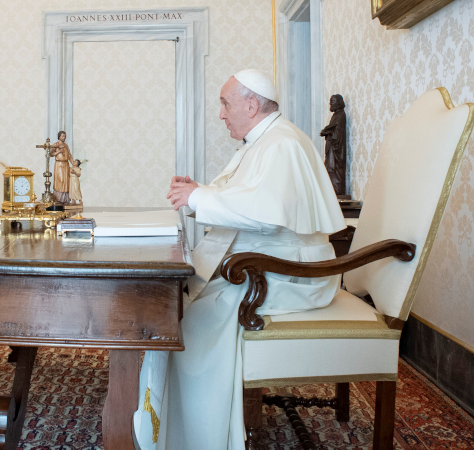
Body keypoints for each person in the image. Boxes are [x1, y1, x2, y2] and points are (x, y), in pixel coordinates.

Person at [133, 70, 346, 450]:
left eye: (225, 103)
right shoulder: (262, 142)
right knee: (174, 303)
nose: (221, 114)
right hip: (271, 261)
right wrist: (199, 192)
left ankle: (199, 438)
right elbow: (247, 197)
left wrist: (199, 198)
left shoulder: (281, 144)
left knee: (190, 320)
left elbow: (263, 213)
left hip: (291, 273)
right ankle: (168, 427)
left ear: (251, 104)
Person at [50, 131, 75, 203]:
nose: (64, 137)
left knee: (66, 181)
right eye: (63, 136)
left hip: (66, 164)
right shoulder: (55, 145)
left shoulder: (66, 145)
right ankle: (58, 199)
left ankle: (65, 199)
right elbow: (50, 154)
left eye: (65, 136)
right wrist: (58, 152)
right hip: (59, 164)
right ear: (59, 137)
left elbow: (69, 155)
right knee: (60, 180)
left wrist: (72, 162)